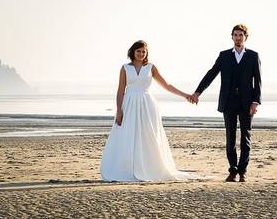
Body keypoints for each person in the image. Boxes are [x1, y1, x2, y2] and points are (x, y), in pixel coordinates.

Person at [99, 40, 198, 182]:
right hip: (129, 104)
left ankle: (149, 168)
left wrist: (186, 95)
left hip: (147, 105)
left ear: (146, 53)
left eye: (143, 51)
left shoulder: (151, 68)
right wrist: (119, 111)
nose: (141, 54)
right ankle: (127, 169)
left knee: (148, 136)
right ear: (133, 52)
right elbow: (120, 90)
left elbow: (167, 86)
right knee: (127, 135)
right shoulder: (125, 68)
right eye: (138, 51)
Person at [193, 24, 261, 182]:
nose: (238, 38)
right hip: (228, 102)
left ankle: (243, 171)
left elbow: (257, 81)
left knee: (245, 137)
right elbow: (211, 74)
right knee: (230, 138)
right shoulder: (224, 56)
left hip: (246, 103)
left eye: (241, 35)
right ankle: (232, 170)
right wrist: (198, 92)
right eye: (235, 35)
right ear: (232, 37)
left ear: (246, 37)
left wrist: (255, 102)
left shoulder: (253, 56)